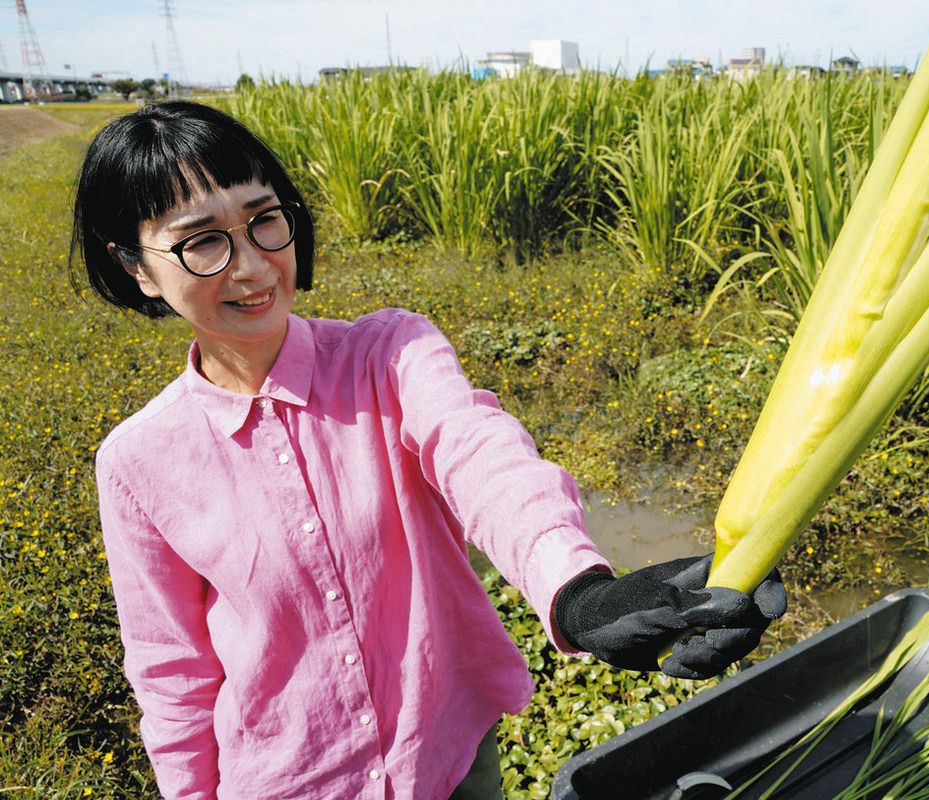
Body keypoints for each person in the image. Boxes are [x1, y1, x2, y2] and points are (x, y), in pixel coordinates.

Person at [72, 101, 786, 800]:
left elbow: (481, 458)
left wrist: (581, 593)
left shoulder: (389, 352)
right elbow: (173, 673)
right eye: (202, 241)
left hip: (444, 753)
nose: (253, 266)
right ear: (136, 266)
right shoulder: (139, 462)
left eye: (264, 220)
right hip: (288, 777)